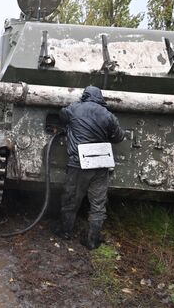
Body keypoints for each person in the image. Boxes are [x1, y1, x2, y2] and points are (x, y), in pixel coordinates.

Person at [56, 85, 125, 250]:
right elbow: (119, 137)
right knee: (98, 204)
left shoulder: (75, 108)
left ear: (84, 96)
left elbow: (61, 115)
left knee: (71, 200)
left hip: (78, 163)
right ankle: (92, 241)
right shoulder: (108, 115)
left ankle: (65, 232)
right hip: (100, 164)